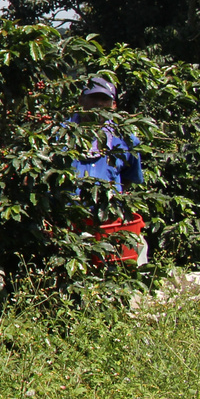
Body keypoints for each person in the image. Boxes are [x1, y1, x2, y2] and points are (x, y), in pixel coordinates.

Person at [70, 76, 146, 264]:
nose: (98, 104)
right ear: (81, 101)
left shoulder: (125, 139)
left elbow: (129, 177)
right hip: (67, 226)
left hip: (108, 225)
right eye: (93, 98)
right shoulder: (59, 135)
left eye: (104, 99)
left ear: (113, 105)